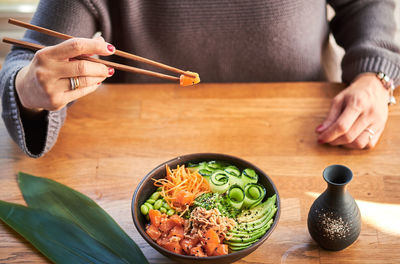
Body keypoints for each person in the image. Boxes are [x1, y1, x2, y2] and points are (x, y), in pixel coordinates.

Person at [1, 0, 399, 157]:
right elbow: (23, 61)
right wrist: (30, 89)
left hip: (309, 140)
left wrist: (374, 75)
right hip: (145, 154)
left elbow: (368, 5)